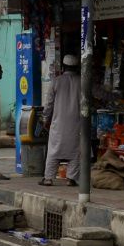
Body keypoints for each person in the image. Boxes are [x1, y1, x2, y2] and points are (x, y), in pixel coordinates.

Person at [41, 54, 83, 186]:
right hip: (76, 124)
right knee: (75, 151)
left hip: (58, 123)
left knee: (54, 150)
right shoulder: (82, 81)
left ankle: (48, 178)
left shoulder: (56, 81)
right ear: (76, 68)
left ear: (64, 67)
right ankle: (71, 179)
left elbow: (49, 105)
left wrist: (44, 118)